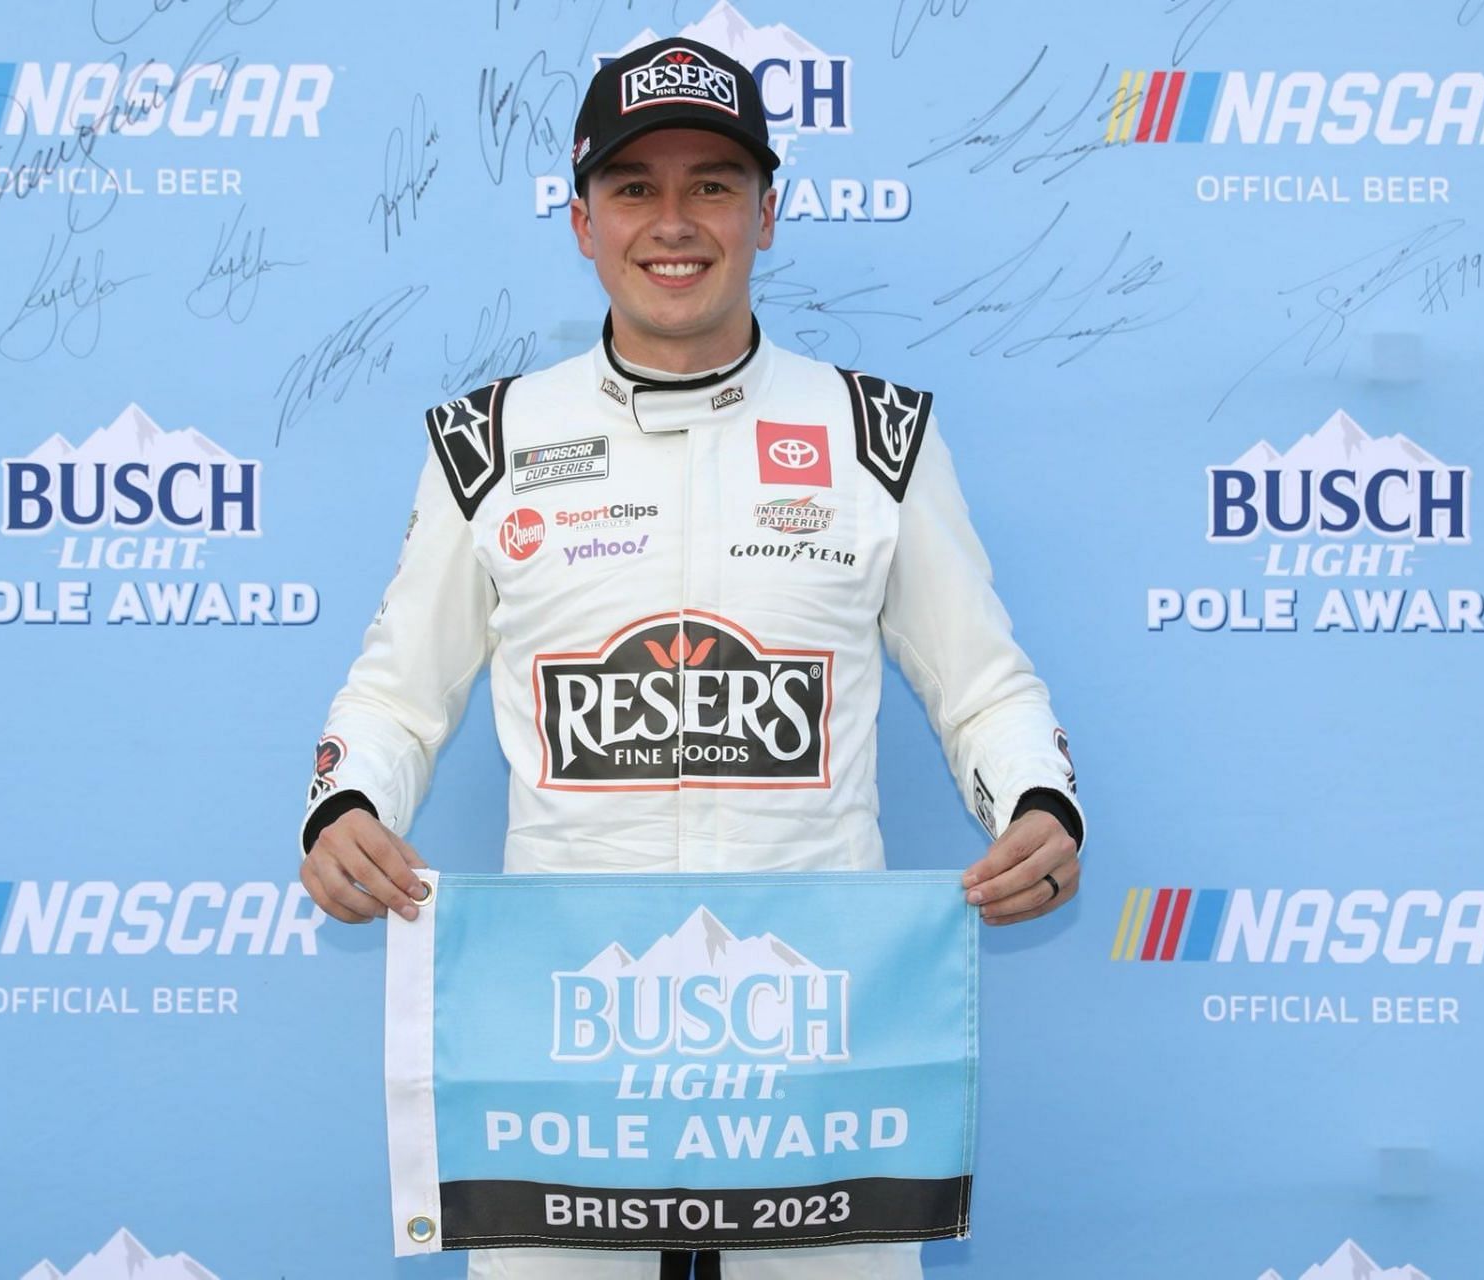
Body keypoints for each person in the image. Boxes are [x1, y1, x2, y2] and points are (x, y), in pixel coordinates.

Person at [297, 36, 1084, 1280]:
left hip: (818, 1053)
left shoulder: (875, 436)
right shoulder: (490, 441)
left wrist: (1039, 797)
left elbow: (986, 685)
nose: (675, 221)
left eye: (713, 183)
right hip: (565, 1059)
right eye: (634, 187)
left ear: (768, 212)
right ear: (580, 220)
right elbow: (395, 691)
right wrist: (346, 802)